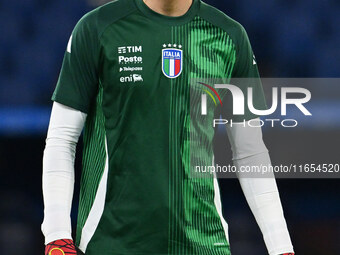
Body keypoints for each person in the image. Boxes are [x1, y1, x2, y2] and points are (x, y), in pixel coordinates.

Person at [42, 0, 295, 254]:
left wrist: (281, 246)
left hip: (204, 243)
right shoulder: (97, 28)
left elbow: (249, 152)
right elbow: (62, 139)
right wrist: (57, 234)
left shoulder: (230, 35)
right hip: (111, 243)